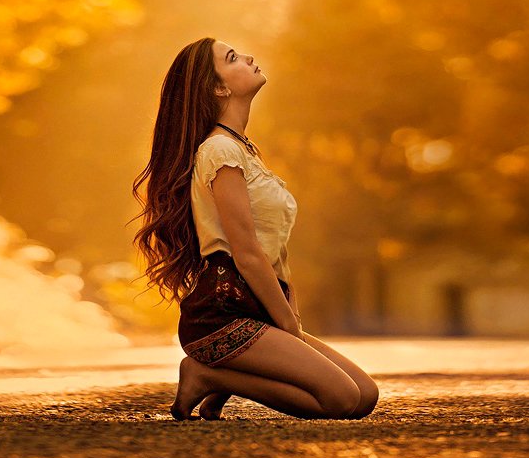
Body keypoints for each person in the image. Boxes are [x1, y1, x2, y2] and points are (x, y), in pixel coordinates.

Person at [130, 37, 379, 420]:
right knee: (341, 400)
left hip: (256, 308)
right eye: (233, 58)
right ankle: (208, 375)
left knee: (365, 394)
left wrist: (289, 312)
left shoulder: (243, 149)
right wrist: (288, 326)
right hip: (223, 314)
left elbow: (274, 249)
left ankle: (218, 377)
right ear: (219, 87)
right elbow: (245, 252)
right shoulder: (219, 152)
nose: (248, 57)